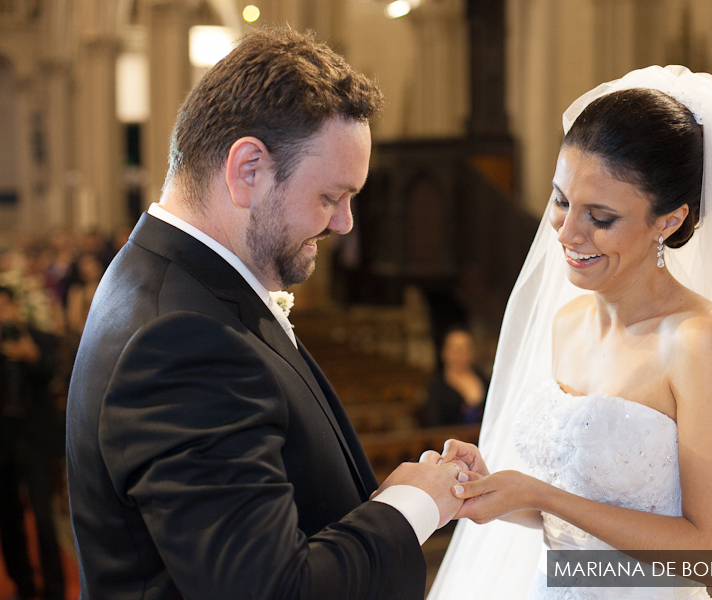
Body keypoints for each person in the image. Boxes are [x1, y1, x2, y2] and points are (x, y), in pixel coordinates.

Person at [66, 27, 464, 600]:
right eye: (330, 197)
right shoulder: (181, 340)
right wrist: (414, 504)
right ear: (247, 169)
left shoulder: (176, 283)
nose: (344, 224)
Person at [426, 66, 712, 600]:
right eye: (561, 201)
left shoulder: (698, 341)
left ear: (669, 221)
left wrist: (543, 495)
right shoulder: (566, 323)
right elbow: (579, 530)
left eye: (600, 217)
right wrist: (493, 489)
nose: (566, 232)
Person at [0, 285, 65, 600]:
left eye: (6, 306)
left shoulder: (38, 338)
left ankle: (55, 588)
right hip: (5, 445)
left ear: (17, 307)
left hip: (36, 443)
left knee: (43, 518)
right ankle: (23, 584)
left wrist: (31, 356)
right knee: (9, 521)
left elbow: (54, 369)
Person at [422, 328, 489, 426]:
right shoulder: (437, 386)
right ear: (444, 352)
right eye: (456, 349)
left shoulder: (483, 379)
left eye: (466, 349)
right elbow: (434, 422)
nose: (461, 354)